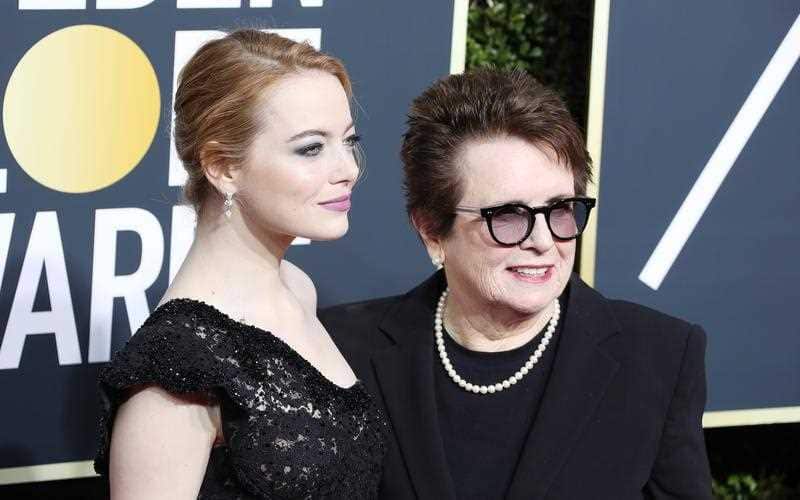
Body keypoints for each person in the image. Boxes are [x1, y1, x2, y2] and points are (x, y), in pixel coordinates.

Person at [320, 69, 712, 499]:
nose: (544, 242)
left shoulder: (659, 358)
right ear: (432, 231)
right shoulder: (338, 351)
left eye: (562, 209)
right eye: (507, 216)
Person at [94, 29, 387, 499]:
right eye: (311, 148)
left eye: (348, 141)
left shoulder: (297, 289)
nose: (347, 168)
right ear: (223, 167)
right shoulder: (174, 371)